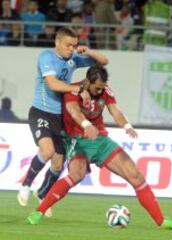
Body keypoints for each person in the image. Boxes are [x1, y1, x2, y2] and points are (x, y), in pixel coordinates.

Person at [26, 65, 172, 230]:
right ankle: (39, 211)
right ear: (87, 82)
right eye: (96, 88)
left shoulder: (105, 90)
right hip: (77, 140)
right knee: (76, 176)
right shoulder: (73, 92)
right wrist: (86, 125)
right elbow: (74, 112)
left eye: (102, 87)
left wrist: (127, 126)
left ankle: (162, 222)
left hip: (100, 140)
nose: (99, 91)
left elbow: (115, 111)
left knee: (135, 175)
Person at [17, 27, 109, 218]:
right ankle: (26, 185)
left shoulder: (73, 57)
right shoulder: (46, 57)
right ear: (57, 43)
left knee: (58, 165)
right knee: (47, 150)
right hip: (40, 111)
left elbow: (104, 62)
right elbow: (53, 84)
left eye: (74, 45)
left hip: (59, 118)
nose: (71, 49)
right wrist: (76, 90)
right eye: (68, 45)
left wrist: (89, 51)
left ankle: (42, 193)